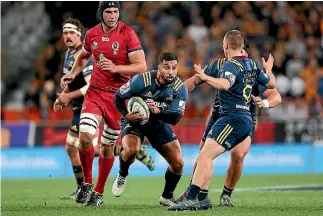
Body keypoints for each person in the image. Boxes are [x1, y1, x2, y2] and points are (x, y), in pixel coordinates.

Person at [168, 30, 275, 211]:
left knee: (206, 155)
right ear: (242, 47)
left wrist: (206, 77)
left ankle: (193, 198)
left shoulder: (230, 65)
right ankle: (202, 198)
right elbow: (271, 84)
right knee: (206, 154)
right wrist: (269, 70)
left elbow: (225, 85)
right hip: (241, 118)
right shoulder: (254, 65)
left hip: (232, 118)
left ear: (225, 46)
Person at [54, 18, 154, 200]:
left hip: (116, 98)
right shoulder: (81, 47)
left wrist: (67, 96)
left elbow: (142, 67)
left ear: (78, 34)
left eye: (71, 33)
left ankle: (98, 191)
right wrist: (69, 82)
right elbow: (82, 63)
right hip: (93, 97)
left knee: (104, 147)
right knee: (82, 140)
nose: (67, 36)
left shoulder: (127, 34)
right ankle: (85, 184)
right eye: (65, 33)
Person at [112, 52, 188, 207]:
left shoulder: (179, 88)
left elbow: (175, 118)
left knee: (178, 163)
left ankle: (166, 197)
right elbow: (118, 97)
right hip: (135, 121)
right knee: (131, 151)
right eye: (166, 67)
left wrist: (158, 112)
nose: (171, 71)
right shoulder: (141, 80)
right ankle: (122, 173)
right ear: (158, 67)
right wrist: (127, 115)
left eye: (174, 68)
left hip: (158, 124)